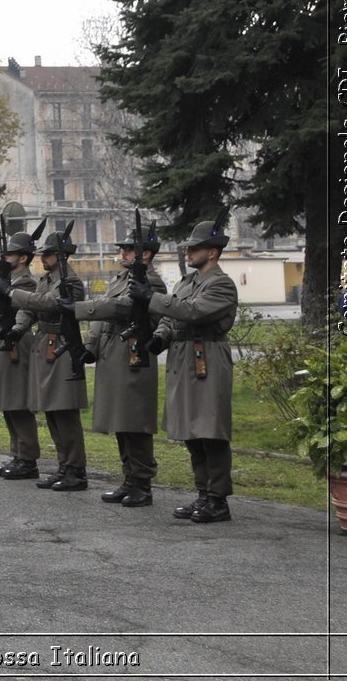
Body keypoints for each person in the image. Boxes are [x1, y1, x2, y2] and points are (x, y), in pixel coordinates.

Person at [137, 218, 240, 523]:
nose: (189, 252)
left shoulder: (221, 283)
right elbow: (173, 317)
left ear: (213, 252)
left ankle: (218, 499)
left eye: (195, 248)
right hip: (184, 357)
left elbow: (191, 311)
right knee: (192, 431)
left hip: (206, 356)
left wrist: (151, 298)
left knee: (210, 429)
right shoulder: (186, 282)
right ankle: (203, 494)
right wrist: (160, 337)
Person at [69, 224, 166, 507]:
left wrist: (77, 309)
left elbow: (120, 308)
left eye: (129, 249)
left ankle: (143, 483)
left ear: (146, 254)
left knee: (134, 420)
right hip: (114, 353)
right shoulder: (121, 278)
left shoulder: (151, 282)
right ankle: (129, 478)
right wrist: (90, 347)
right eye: (123, 248)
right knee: (121, 421)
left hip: (133, 353)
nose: (123, 252)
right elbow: (104, 317)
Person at [10, 228, 89, 491]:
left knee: (65, 411)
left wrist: (13, 294)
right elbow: (31, 308)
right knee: (53, 411)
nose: (43, 257)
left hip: (63, 345)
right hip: (45, 344)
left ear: (61, 256)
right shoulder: (46, 280)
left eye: (48, 254)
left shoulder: (71, 282)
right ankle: (63, 465)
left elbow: (47, 304)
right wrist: (19, 328)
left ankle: (76, 469)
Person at [0, 230, 40, 480]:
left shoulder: (25, 281)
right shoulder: (6, 280)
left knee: (17, 401)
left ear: (24, 258)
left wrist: (5, 290)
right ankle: (17, 454)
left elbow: (23, 309)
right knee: (8, 401)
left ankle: (28, 458)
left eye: (11, 254)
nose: (6, 257)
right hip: (3, 341)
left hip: (17, 342)